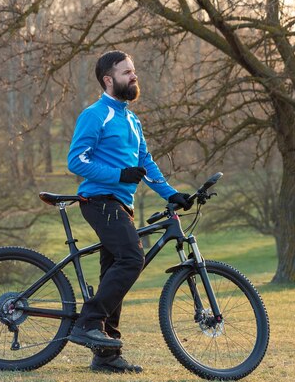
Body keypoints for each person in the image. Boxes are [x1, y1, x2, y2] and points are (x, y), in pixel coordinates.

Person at [67, 50, 192, 373]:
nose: (134, 76)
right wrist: (117, 175)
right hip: (99, 200)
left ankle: (106, 354)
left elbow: (145, 164)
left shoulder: (131, 119)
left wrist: (172, 193)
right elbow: (76, 161)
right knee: (132, 259)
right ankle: (88, 322)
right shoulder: (96, 114)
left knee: (115, 275)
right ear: (109, 80)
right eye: (126, 73)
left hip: (121, 204)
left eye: (133, 71)